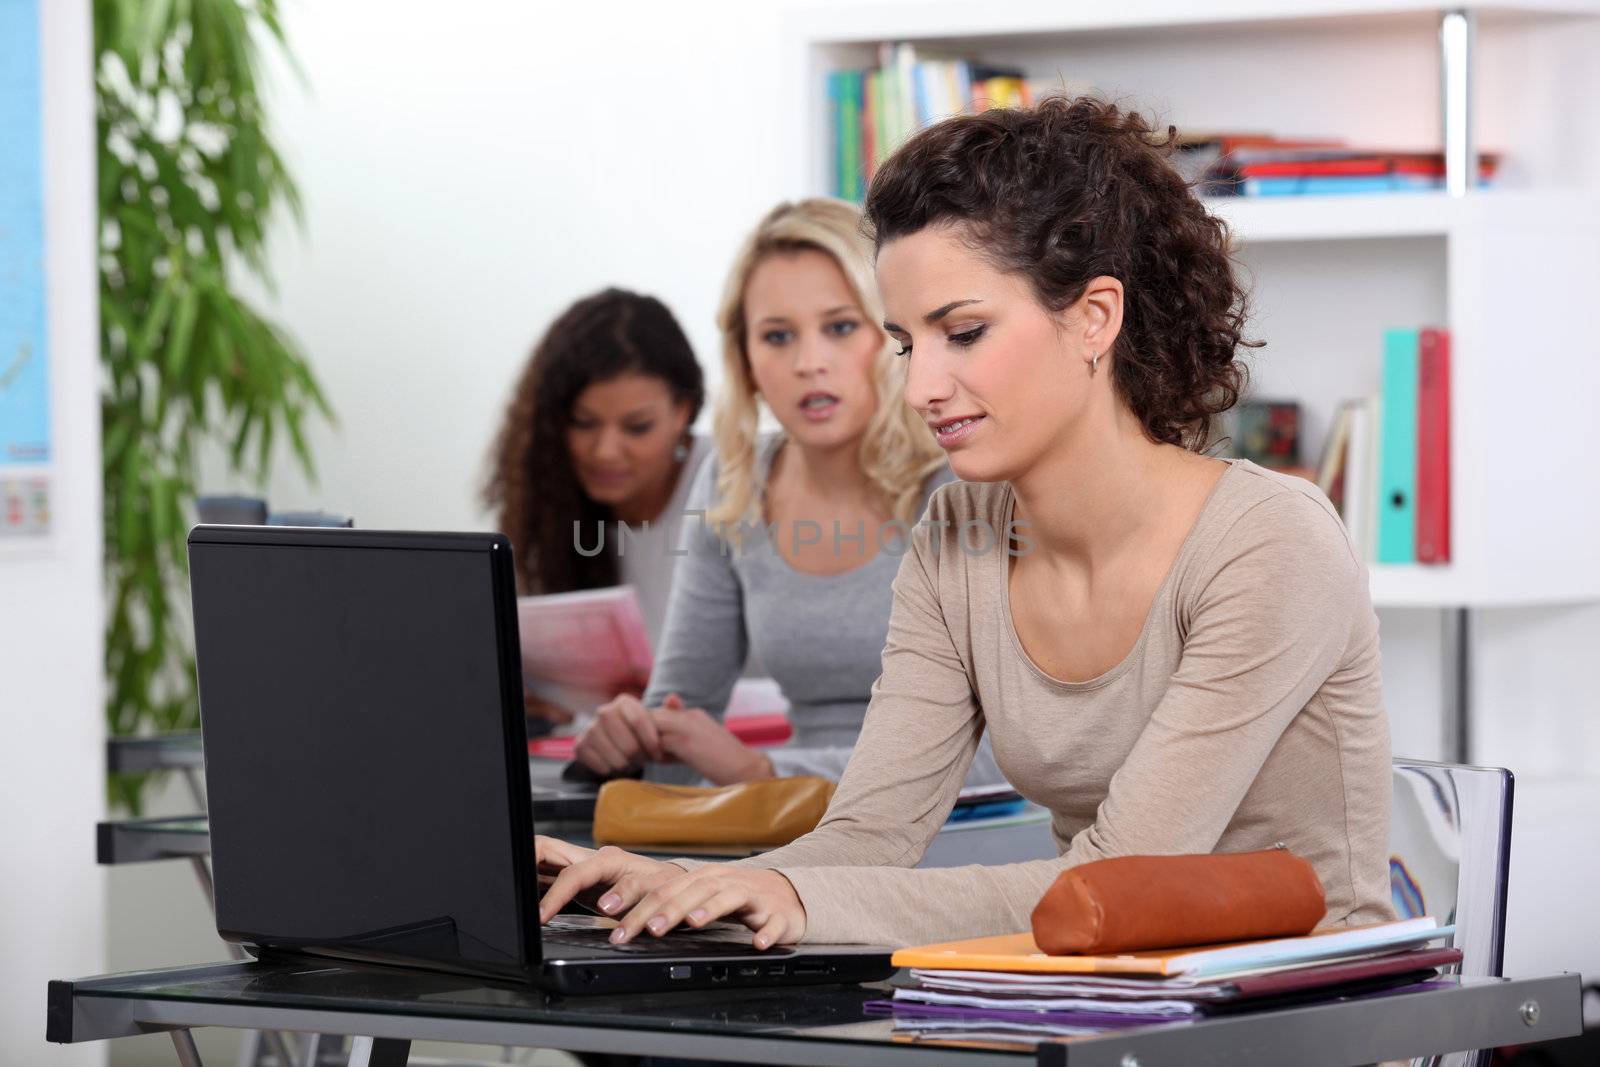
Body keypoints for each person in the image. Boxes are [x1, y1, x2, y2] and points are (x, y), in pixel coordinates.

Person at [536, 97, 1394, 950]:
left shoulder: (1268, 541)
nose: (918, 390)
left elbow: (1122, 873)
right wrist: (687, 884)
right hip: (1095, 995)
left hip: (1308, 1013)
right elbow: (869, 834)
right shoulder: (958, 533)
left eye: (965, 332)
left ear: (1095, 317)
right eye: (908, 344)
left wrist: (790, 896)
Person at [571, 198, 1004, 789]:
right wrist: (632, 743)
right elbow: (679, 712)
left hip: (956, 832)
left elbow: (1005, 753)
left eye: (841, 327)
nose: (808, 363)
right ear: (746, 360)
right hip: (791, 837)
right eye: (777, 336)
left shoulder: (967, 479)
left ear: (897, 335)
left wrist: (768, 773)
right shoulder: (735, 482)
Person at [483, 288, 709, 723]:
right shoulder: (546, 507)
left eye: (637, 427)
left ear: (683, 411)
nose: (605, 451)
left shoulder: (731, 483)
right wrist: (538, 702)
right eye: (583, 423)